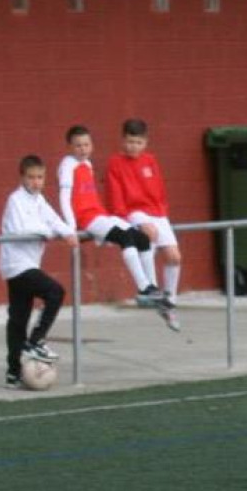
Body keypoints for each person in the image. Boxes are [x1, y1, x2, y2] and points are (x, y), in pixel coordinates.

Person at [57, 124, 178, 331]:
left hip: (99, 213)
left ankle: (152, 288)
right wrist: (70, 227)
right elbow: (65, 198)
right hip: (87, 218)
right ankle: (143, 287)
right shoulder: (68, 165)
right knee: (125, 237)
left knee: (142, 238)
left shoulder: (87, 164)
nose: (83, 149)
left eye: (86, 144)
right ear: (69, 147)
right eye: (78, 146)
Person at [0, 155, 79, 389]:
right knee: (55, 291)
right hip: (17, 265)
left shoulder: (39, 199)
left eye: (40, 177)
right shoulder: (15, 200)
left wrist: (67, 233)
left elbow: (53, 219)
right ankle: (34, 341)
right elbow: (22, 228)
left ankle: (13, 373)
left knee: (18, 319)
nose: (36, 182)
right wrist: (47, 231)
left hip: (28, 264)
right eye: (31, 177)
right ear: (22, 177)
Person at [106, 117, 182, 327]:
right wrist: (127, 217)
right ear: (123, 140)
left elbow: (159, 190)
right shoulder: (116, 163)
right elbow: (116, 195)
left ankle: (170, 303)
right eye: (130, 142)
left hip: (157, 212)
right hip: (134, 211)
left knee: (175, 257)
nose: (134, 147)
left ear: (146, 142)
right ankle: (151, 290)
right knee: (150, 233)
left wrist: (162, 211)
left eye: (138, 142)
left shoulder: (150, 161)